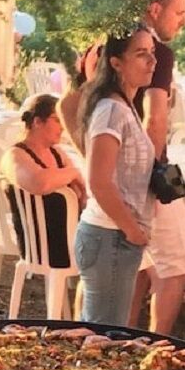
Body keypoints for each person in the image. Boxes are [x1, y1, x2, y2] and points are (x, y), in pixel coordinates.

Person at [74, 27, 157, 325]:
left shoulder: (124, 105)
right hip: (110, 237)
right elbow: (98, 180)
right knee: (103, 336)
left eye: (152, 53)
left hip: (115, 237)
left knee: (104, 332)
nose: (152, 61)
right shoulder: (111, 110)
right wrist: (132, 230)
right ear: (116, 62)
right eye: (141, 54)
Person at [129, 0, 185, 334]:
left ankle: (117, 343)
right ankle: (157, 349)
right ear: (154, 9)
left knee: (133, 266)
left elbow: (70, 106)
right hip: (148, 175)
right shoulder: (156, 53)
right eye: (179, 13)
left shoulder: (104, 43)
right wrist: (149, 178)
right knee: (176, 265)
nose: (183, 21)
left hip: (109, 174)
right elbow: (155, 119)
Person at [0, 94, 86, 269]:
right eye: (57, 120)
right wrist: (74, 173)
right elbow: (39, 183)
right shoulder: (15, 155)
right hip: (42, 244)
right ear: (37, 122)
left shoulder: (57, 153)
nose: (62, 127)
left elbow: (79, 194)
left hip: (69, 233)